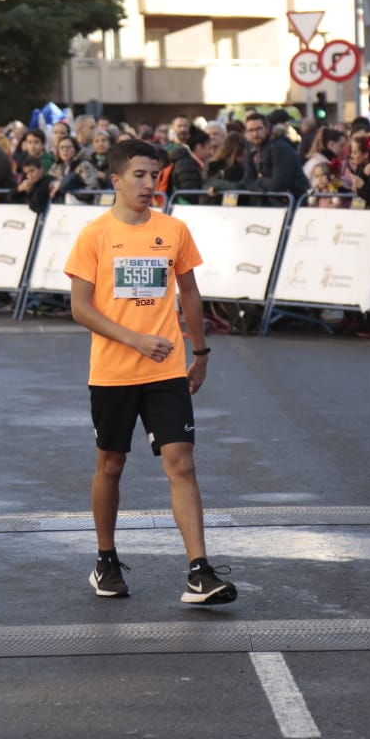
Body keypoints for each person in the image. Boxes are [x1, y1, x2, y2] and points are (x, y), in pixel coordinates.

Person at [64, 138, 236, 606]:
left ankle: (199, 571)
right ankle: (106, 559)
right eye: (139, 175)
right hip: (114, 372)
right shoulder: (94, 235)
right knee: (111, 465)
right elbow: (80, 308)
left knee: (181, 461)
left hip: (166, 372)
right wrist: (135, 339)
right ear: (116, 180)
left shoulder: (174, 230)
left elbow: (191, 294)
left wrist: (199, 353)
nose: (149, 184)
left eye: (154, 175)